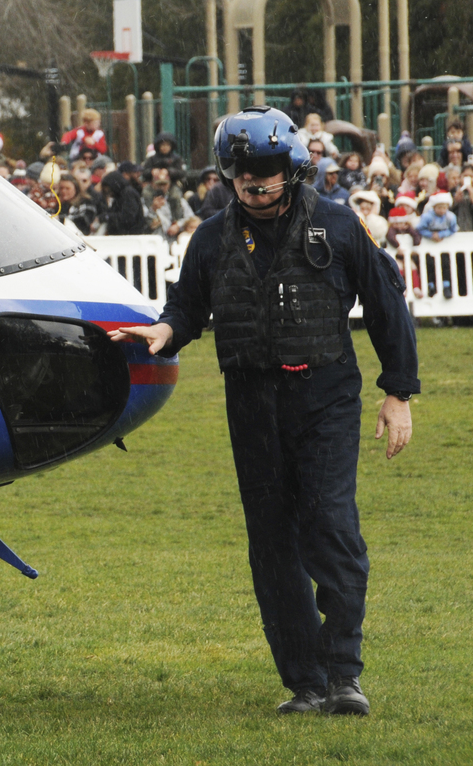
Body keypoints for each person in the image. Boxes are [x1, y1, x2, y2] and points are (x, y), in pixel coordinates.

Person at [109, 106, 417, 718]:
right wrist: (162, 333)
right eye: (244, 170)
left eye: (269, 169)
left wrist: (398, 393)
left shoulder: (338, 226)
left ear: (293, 168)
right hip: (250, 402)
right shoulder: (209, 238)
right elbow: (187, 307)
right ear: (229, 172)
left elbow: (387, 305)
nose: (256, 180)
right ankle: (305, 682)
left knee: (330, 527)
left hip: (325, 394)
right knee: (271, 542)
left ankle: (344, 675)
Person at [142, 166, 193, 238]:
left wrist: (178, 225)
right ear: (153, 184)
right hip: (156, 239)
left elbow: (190, 217)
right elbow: (145, 222)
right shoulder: (145, 201)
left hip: (176, 238)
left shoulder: (178, 200)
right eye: (159, 184)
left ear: (169, 184)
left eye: (164, 184)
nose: (162, 187)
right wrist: (153, 209)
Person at [99, 169, 147, 235]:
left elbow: (128, 217)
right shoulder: (120, 196)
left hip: (130, 236)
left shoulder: (128, 194)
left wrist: (106, 217)